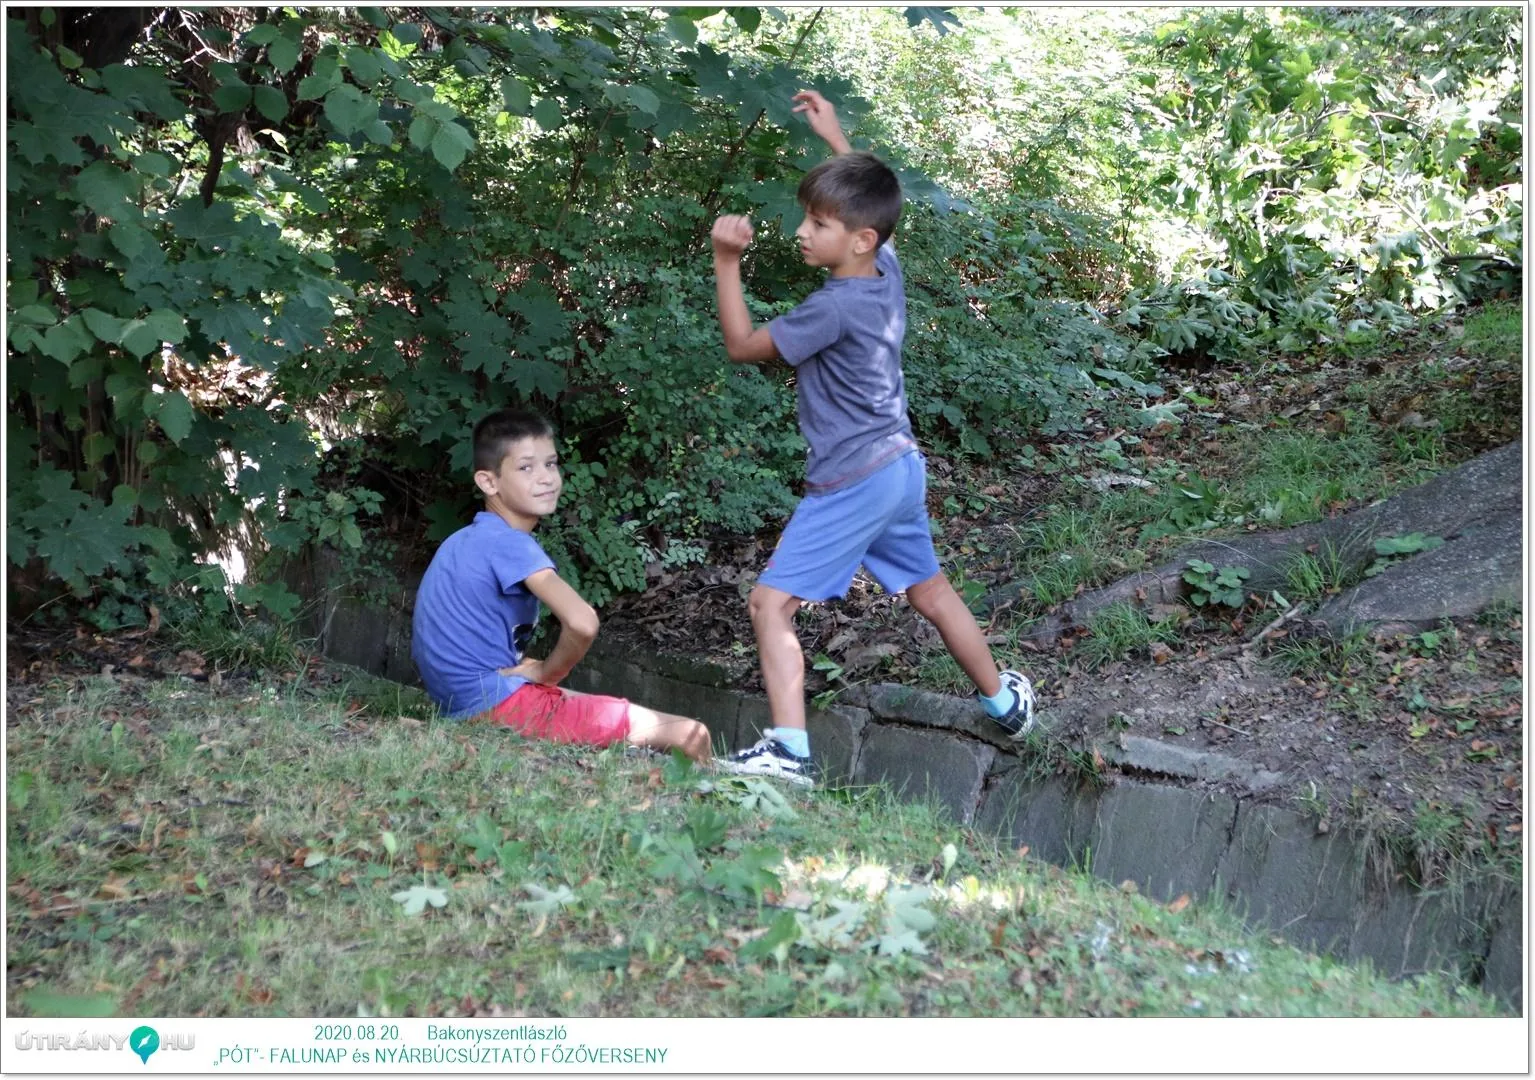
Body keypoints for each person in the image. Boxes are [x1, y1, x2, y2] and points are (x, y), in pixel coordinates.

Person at [708, 90, 1036, 787]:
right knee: (930, 591)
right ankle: (1004, 703)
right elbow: (876, 210)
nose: (802, 232)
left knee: (769, 604)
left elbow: (741, 345)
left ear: (858, 239)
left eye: (817, 223)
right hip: (899, 466)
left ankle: (788, 752)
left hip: (854, 478)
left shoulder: (829, 309)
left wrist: (726, 260)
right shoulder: (884, 272)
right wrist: (837, 139)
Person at [411, 408, 713, 763]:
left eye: (551, 464)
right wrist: (546, 673)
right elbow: (582, 623)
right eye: (526, 468)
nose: (546, 478)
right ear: (489, 482)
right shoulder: (510, 543)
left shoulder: (466, 539)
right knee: (691, 734)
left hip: (462, 702)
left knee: (616, 714)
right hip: (498, 705)